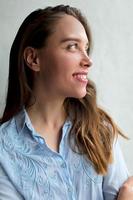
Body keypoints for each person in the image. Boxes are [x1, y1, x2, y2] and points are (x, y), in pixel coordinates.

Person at [0, 4, 132, 200]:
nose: (88, 60)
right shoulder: (3, 149)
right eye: (72, 46)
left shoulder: (100, 129)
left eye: (86, 48)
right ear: (33, 58)